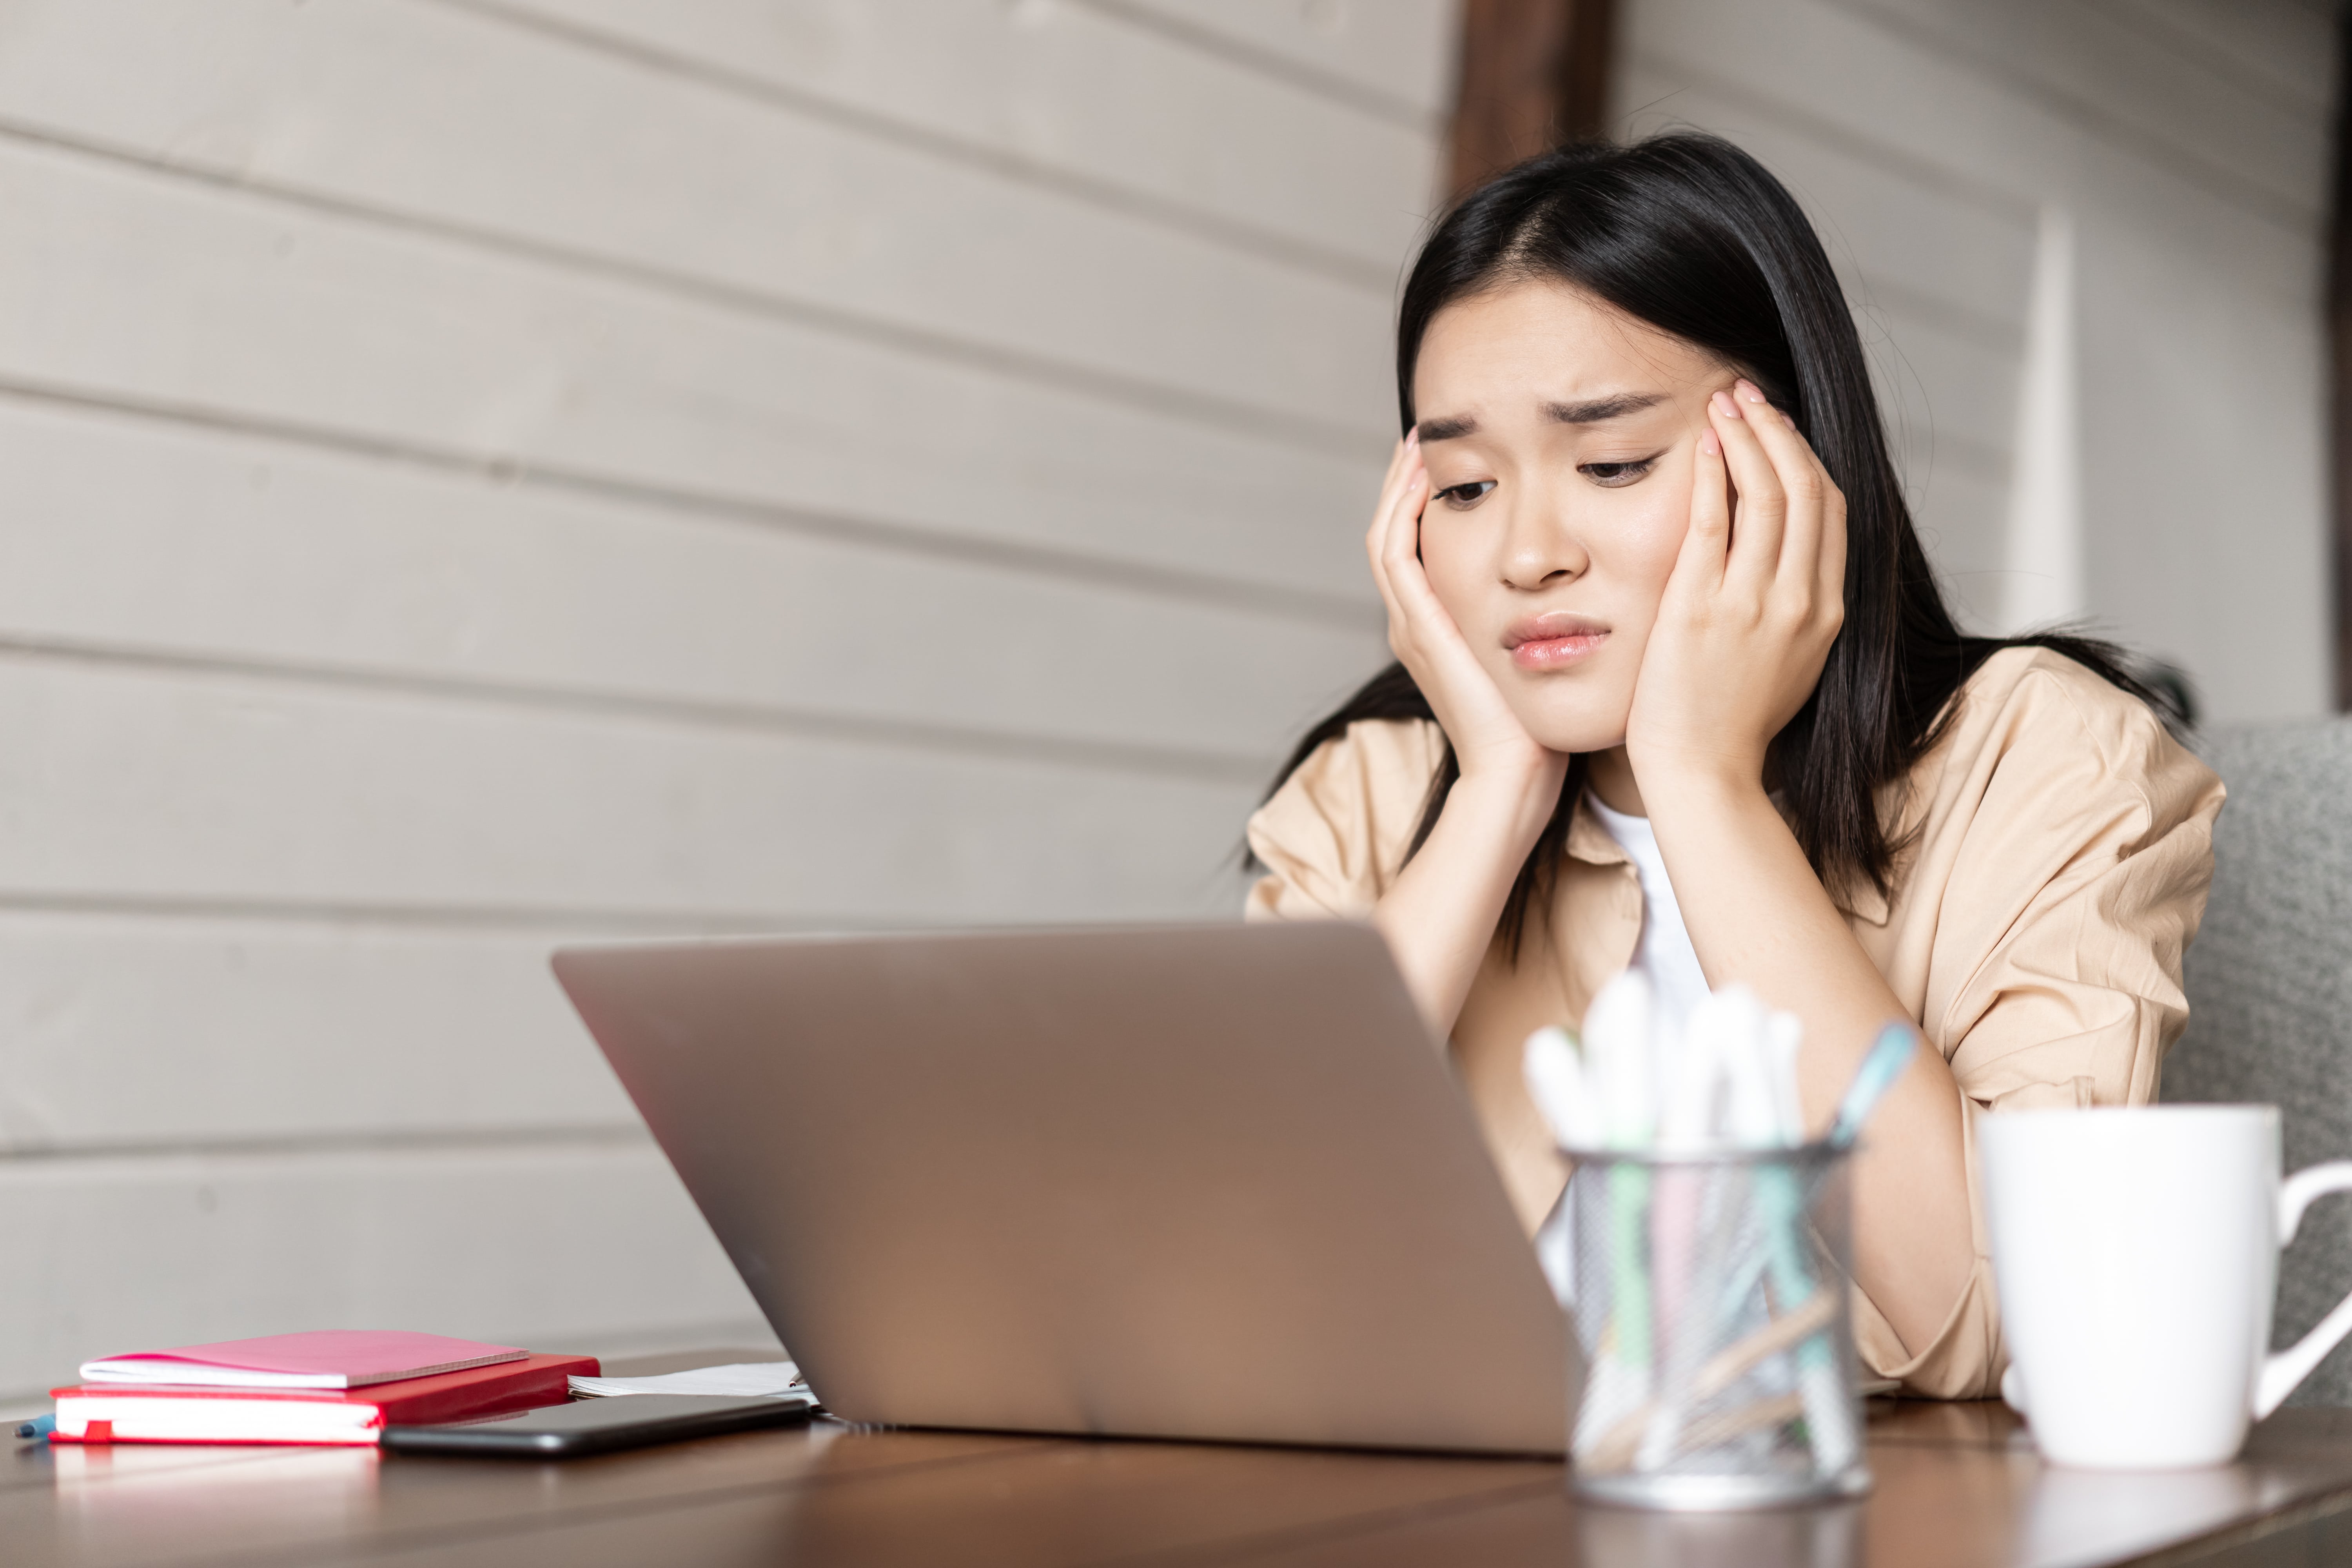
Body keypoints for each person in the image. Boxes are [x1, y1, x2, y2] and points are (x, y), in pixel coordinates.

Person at [1244, 134, 2224, 1399]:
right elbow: (1219, 1275)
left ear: (1791, 465)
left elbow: (2002, 1321)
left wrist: (1704, 782)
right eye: (1466, 483)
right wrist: (1492, 795)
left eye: (1611, 464)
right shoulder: (1369, 794)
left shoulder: (2048, 759)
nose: (1526, 553)